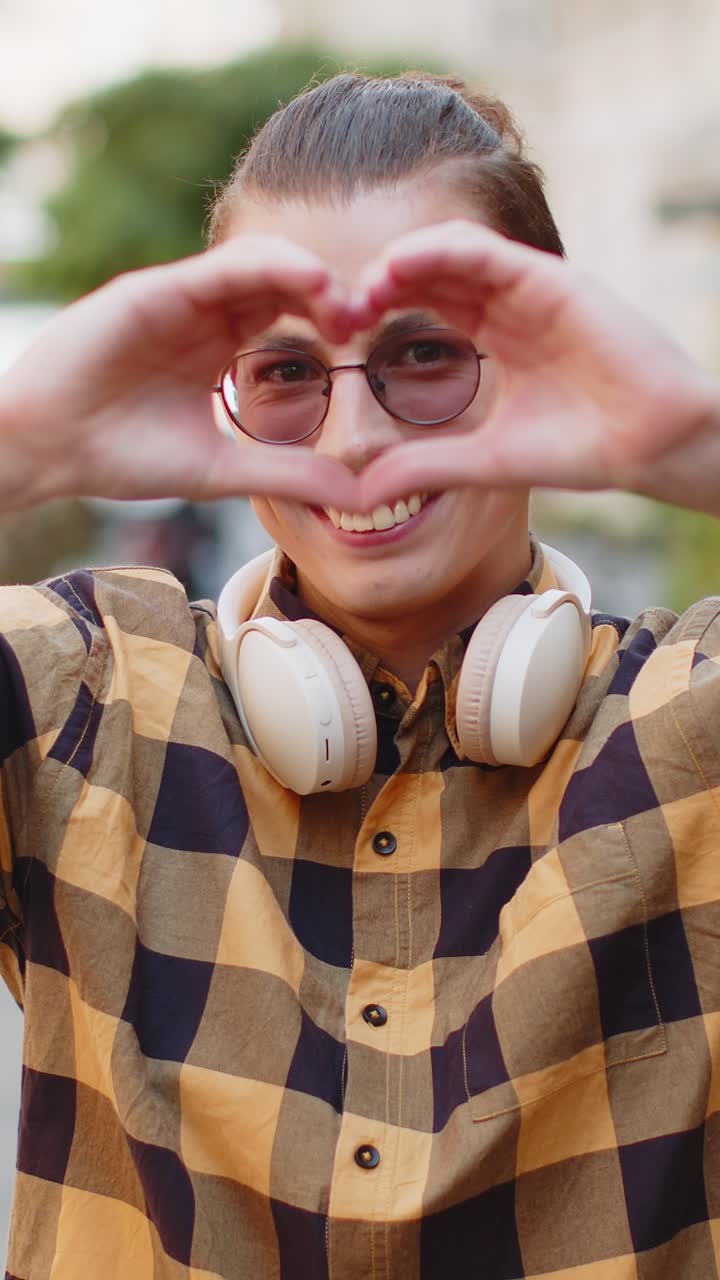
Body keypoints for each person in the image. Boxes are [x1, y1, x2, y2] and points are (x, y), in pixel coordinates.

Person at [1, 69, 719, 1280]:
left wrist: (696, 443)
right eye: (285, 373)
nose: (352, 439)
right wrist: (17, 445)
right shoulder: (77, 703)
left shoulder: (690, 729)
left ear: (544, 356)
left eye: (424, 354)